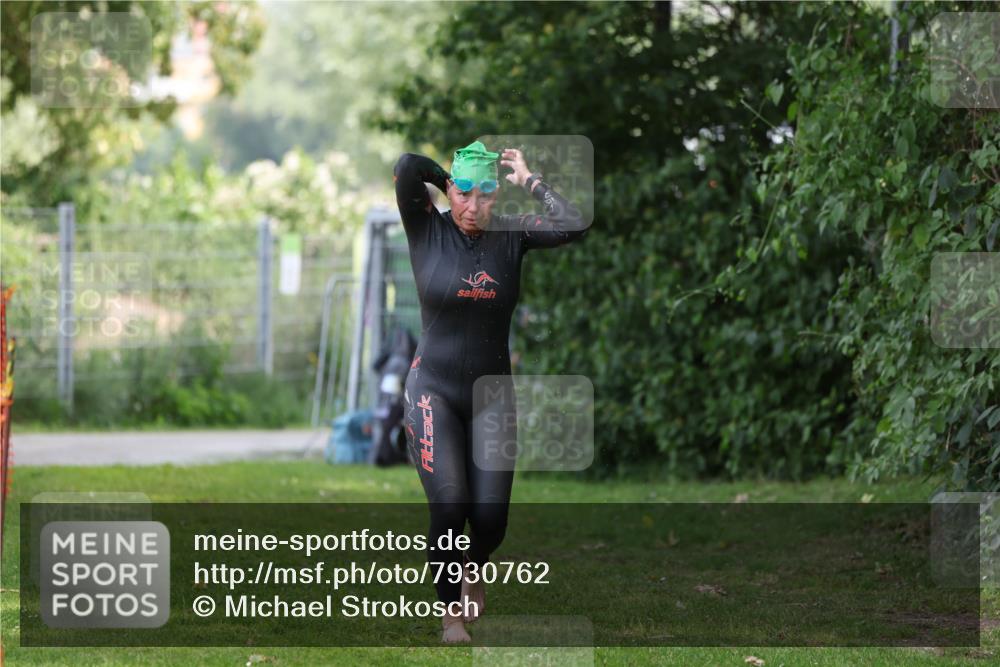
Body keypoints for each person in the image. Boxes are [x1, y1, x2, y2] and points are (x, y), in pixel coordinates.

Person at [393, 141, 588, 643]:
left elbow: (574, 223)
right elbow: (405, 168)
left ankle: (472, 565)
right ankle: (450, 615)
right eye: (463, 195)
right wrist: (446, 180)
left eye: (483, 196)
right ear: (451, 192)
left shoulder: (512, 234)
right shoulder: (427, 227)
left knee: (490, 519)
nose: (472, 208)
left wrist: (529, 180)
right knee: (450, 505)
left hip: (493, 398)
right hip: (431, 390)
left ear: (495, 195)